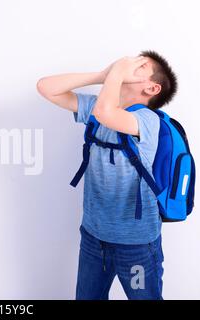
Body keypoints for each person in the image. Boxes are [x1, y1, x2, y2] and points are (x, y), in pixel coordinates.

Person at [37, 51, 178, 299]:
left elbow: (106, 113)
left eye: (141, 65)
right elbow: (46, 87)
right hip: (94, 237)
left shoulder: (146, 120)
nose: (129, 63)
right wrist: (103, 75)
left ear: (152, 88)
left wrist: (116, 74)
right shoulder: (98, 107)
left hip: (136, 244)